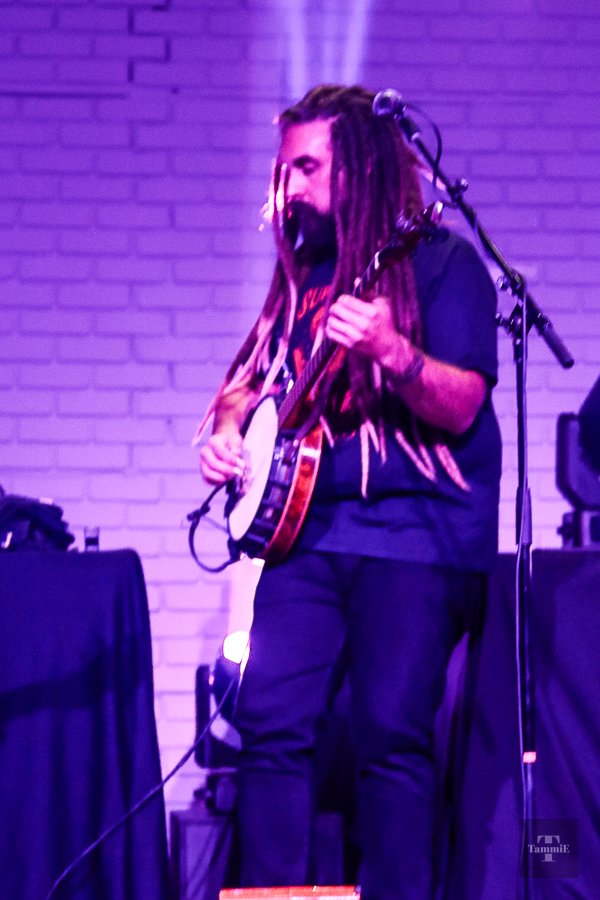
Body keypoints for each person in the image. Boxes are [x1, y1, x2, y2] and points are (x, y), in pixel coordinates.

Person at [197, 84, 501, 900]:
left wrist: (395, 353)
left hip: (417, 538)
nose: (289, 186)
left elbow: (463, 404)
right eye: (285, 169)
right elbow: (247, 382)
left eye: (307, 167)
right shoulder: (305, 275)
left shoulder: (443, 264)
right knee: (269, 721)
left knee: (390, 734)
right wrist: (226, 431)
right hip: (309, 537)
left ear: (360, 165)